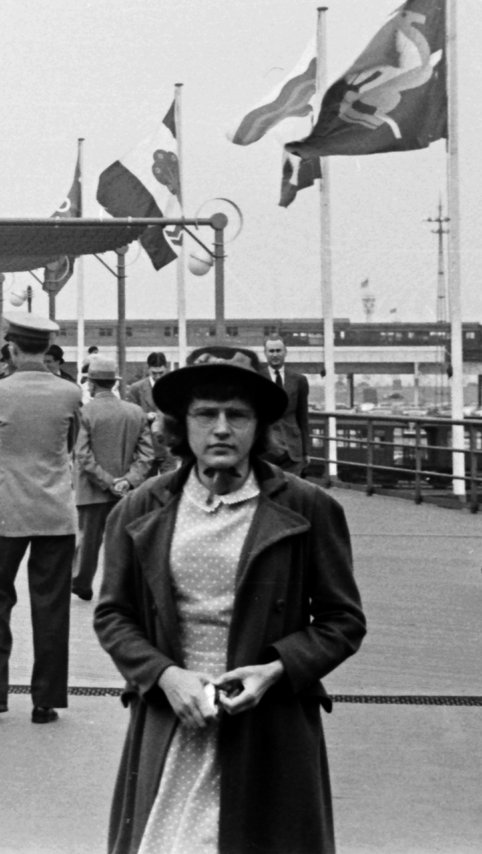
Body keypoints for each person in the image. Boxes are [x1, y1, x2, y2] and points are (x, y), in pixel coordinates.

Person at [95, 346, 366, 854]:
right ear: (182, 425)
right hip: (175, 717)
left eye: (237, 415)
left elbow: (342, 621)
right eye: (205, 414)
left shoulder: (310, 509)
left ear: (259, 425)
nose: (221, 428)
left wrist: (275, 671)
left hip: (269, 727)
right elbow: (113, 613)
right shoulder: (141, 507)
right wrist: (164, 676)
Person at [0, 312, 83, 724]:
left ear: (13, 350)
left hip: (8, 514)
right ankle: (46, 701)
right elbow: (71, 444)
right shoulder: (70, 393)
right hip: (56, 514)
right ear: (47, 350)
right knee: (52, 606)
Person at [71, 356, 154, 602]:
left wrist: (107, 481)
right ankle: (119, 587)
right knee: (121, 541)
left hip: (91, 490)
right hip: (126, 492)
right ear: (114, 383)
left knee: (88, 540)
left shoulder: (84, 413)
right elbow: (147, 455)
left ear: (92, 384)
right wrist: (127, 481)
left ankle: (82, 582)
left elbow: (83, 456)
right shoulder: (135, 412)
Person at [262, 337, 312, 476]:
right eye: (271, 351)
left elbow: (303, 417)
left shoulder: (299, 380)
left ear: (285, 352)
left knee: (291, 492)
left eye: (278, 350)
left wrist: (306, 451)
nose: (275, 354)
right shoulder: (256, 378)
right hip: (265, 449)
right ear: (265, 353)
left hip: (292, 450)